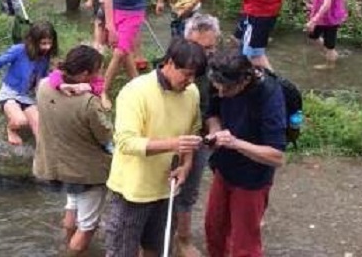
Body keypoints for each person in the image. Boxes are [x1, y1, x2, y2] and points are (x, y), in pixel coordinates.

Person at [104, 38, 206, 257]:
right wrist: (173, 144)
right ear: (169, 62)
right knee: (121, 252)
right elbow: (126, 142)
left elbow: (192, 132)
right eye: (186, 74)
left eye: (195, 75)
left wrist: (186, 165)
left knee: (157, 249)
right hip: (132, 191)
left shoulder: (192, 93)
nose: (190, 81)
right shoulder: (135, 92)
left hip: (166, 190)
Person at [204, 48, 287, 257]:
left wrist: (235, 143)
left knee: (244, 243)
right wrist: (215, 132)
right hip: (224, 169)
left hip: (253, 179)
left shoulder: (268, 94)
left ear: (243, 81)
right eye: (217, 88)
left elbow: (277, 156)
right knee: (214, 228)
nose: (221, 94)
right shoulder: (220, 79)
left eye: (227, 90)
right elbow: (212, 113)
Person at [33, 45, 112, 256]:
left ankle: (67, 242)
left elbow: (53, 77)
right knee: (87, 226)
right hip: (86, 173)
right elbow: (106, 136)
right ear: (86, 74)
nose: (100, 74)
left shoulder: (43, 87)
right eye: (98, 70)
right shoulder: (88, 103)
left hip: (57, 166)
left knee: (72, 208)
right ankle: (72, 251)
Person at [173, 14, 222, 257]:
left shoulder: (217, 68)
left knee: (188, 190)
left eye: (211, 47)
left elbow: (216, 108)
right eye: (201, 48)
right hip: (167, 137)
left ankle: (182, 239)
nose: (206, 55)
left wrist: (214, 128)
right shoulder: (173, 65)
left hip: (198, 138)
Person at [0, 22, 58, 145]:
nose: (47, 47)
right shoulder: (19, 50)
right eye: (43, 43)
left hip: (28, 96)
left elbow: (42, 77)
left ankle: (42, 159)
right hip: (10, 93)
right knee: (20, 121)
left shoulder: (45, 56)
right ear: (34, 41)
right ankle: (10, 129)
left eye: (50, 43)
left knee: (40, 132)